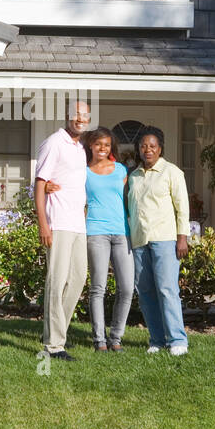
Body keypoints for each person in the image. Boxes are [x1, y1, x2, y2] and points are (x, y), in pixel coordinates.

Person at [126, 125, 191, 355]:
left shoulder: (172, 173)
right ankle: (156, 339)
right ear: (138, 149)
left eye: (152, 146)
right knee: (145, 292)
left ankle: (177, 340)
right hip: (139, 241)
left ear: (160, 148)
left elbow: (182, 207)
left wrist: (182, 237)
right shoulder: (133, 176)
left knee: (167, 289)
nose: (148, 150)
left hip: (165, 239)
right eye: (143, 146)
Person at [33, 100, 90, 360]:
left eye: (86, 116)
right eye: (77, 114)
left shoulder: (80, 149)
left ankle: (58, 332)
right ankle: (54, 345)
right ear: (68, 116)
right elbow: (40, 183)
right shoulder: (54, 142)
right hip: (57, 223)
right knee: (56, 281)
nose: (81, 119)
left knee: (78, 279)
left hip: (78, 224)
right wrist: (43, 224)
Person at [80, 128, 134, 351]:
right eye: (98, 144)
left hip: (122, 232)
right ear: (91, 145)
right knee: (98, 288)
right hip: (96, 232)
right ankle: (99, 340)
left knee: (127, 288)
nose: (102, 148)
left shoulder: (121, 170)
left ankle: (116, 338)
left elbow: (131, 200)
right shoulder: (83, 172)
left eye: (107, 145)